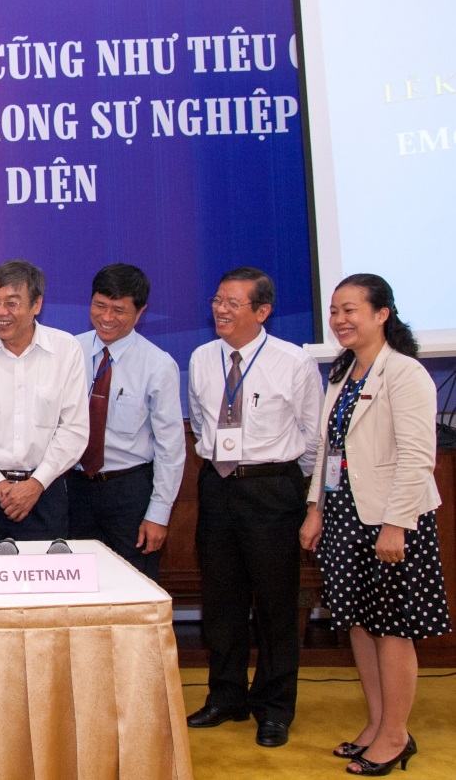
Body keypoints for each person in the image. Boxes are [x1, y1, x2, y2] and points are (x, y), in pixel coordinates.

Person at [299, 274, 450, 775]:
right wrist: (316, 508)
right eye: (334, 311)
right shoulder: (343, 372)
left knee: (392, 628)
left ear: (382, 314)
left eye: (350, 310)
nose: (339, 320)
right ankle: (377, 722)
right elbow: (328, 451)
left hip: (391, 520)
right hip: (344, 515)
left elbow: (417, 457)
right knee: (359, 624)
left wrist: (396, 525)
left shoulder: (404, 373)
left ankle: (395, 734)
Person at [186, 267, 323, 748]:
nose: (220, 310)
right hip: (218, 487)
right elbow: (202, 424)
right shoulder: (202, 358)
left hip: (271, 489)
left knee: (275, 603)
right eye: (217, 300)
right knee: (221, 601)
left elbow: (314, 440)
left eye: (233, 303)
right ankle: (226, 696)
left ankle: (274, 707)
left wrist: (302, 496)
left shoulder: (293, 361)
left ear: (262, 311)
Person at [0, 260, 88, 542]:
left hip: (45, 493)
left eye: (12, 303)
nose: (0, 312)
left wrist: (36, 483)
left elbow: (74, 429)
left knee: (45, 569)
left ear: (37, 304)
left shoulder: (66, 350)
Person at [68, 264, 185, 578]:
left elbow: (170, 448)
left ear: (140, 311)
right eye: (99, 305)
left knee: (133, 583)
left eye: (118, 310)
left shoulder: (158, 365)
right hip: (73, 489)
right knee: (75, 583)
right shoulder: (69, 351)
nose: (106, 317)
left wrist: (158, 514)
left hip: (129, 493)